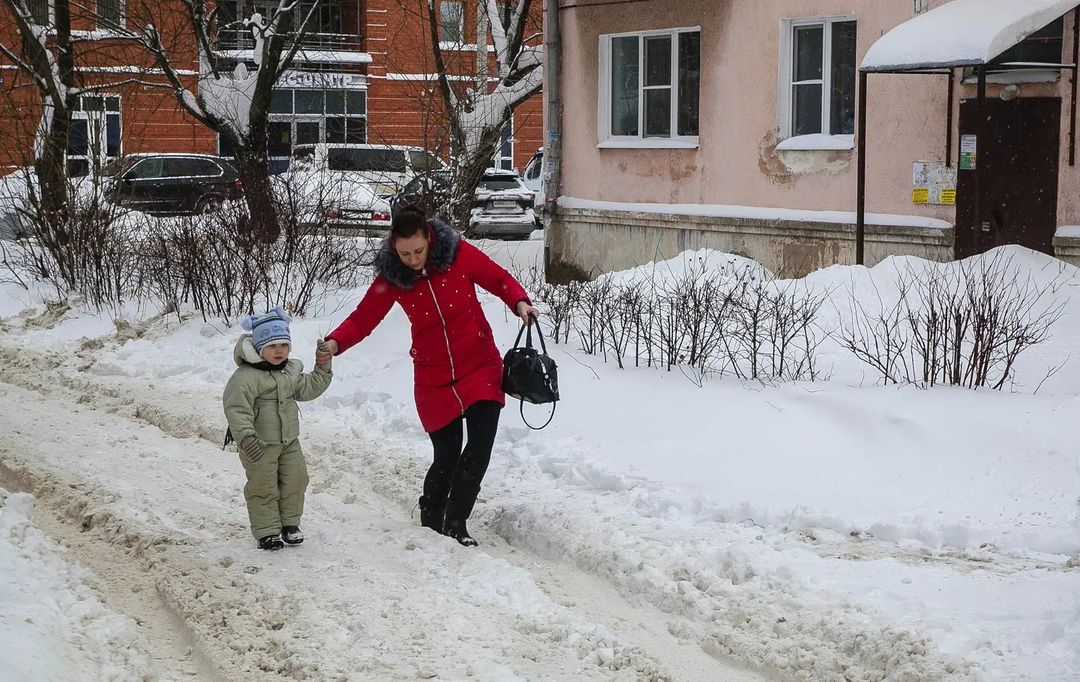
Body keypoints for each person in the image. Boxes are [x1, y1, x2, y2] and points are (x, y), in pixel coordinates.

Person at [320, 206, 539, 546]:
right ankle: (432, 517)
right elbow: (364, 317)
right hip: (433, 376)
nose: (412, 259)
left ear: (429, 238)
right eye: (404, 253)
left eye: (418, 251)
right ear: (394, 247)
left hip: (479, 364)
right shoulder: (393, 277)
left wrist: (520, 302)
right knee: (447, 455)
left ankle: (456, 522)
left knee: (479, 447)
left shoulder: (457, 254)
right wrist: (335, 342)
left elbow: (498, 278)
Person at [223, 306, 333, 550]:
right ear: (259, 347)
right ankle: (267, 531)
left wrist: (322, 368)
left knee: (296, 480)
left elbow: (308, 388)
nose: (280, 350)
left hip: (289, 442)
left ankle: (290, 524)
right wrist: (246, 437)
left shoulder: (290, 371)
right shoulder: (246, 377)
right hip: (258, 445)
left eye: (284, 345)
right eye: (272, 346)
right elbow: (236, 409)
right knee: (263, 486)